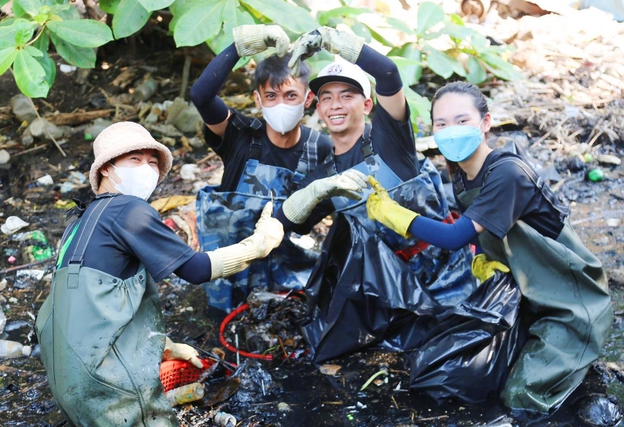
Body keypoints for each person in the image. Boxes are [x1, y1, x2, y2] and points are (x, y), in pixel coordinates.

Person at [366, 81, 613, 414]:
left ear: (486, 123)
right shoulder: (464, 175)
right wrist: (482, 259)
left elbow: (454, 237)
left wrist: (393, 214)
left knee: (521, 400)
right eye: (442, 124)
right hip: (528, 302)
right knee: (463, 377)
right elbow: (476, 233)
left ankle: (581, 374)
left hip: (572, 307)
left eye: (462, 120)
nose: (451, 130)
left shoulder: (507, 173)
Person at [34, 122, 284, 426]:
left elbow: (90, 308)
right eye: (134, 160)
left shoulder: (79, 223)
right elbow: (195, 269)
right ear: (106, 170)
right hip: (105, 382)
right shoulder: (127, 209)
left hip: (67, 379)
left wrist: (164, 346)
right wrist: (258, 245)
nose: (146, 168)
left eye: (152, 162)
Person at [274, 27, 475, 361]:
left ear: (367, 105)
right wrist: (309, 195)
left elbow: (388, 73)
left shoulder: (390, 140)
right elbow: (288, 226)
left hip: (446, 275)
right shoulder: (322, 175)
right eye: (326, 97)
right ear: (319, 109)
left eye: (346, 95)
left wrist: (337, 42)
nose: (335, 105)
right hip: (389, 293)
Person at [190, 25, 340, 312]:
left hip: (281, 272)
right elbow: (201, 96)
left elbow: (308, 220)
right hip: (228, 270)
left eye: (291, 96)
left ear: (308, 99)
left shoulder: (319, 148)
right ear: (258, 100)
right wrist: (241, 46)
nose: (280, 103)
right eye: (271, 96)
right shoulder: (241, 135)